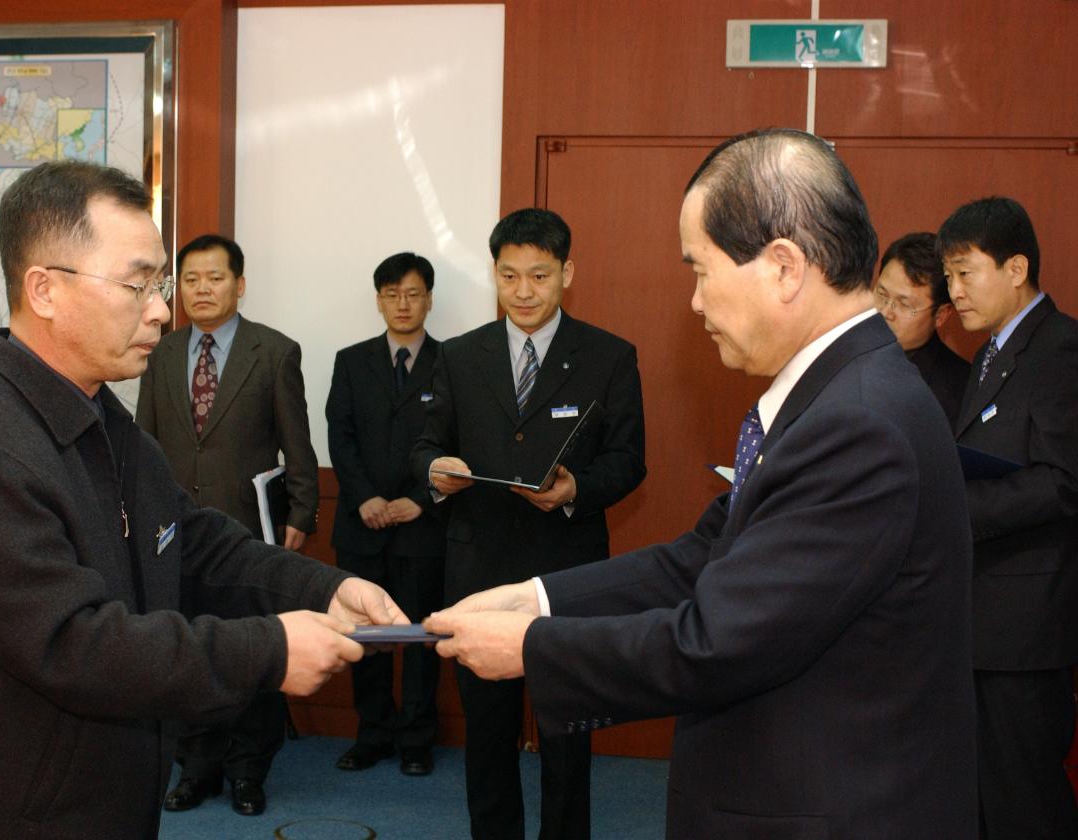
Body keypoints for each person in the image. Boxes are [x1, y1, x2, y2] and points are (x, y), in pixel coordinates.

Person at [426, 129, 977, 839]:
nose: (693, 302)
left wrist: (529, 645)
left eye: (701, 270)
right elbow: (701, 556)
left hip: (828, 806)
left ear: (783, 267)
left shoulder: (859, 422)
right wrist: (534, 596)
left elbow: (715, 642)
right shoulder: (841, 393)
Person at [0, 160, 404, 840]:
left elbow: (190, 542)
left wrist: (321, 589)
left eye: (160, 283)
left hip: (101, 803)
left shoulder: (99, 416)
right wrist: (267, 651)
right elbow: (76, 646)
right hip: (7, 816)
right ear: (44, 289)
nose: (162, 309)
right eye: (137, 285)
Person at [412, 208, 647, 840]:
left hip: (567, 574)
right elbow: (425, 445)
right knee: (487, 736)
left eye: (539, 277)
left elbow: (629, 461)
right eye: (509, 276)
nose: (522, 292)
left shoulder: (608, 356)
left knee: (567, 733)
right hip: (478, 569)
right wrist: (437, 468)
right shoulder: (460, 356)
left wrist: (577, 490)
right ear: (493, 273)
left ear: (567, 272)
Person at [135, 233, 320, 816]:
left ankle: (248, 770)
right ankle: (197, 768)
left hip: (248, 531)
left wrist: (302, 513)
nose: (201, 290)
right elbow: (143, 439)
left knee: (251, 650)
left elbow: (298, 443)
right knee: (187, 650)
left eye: (214, 278)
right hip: (174, 532)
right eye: (189, 280)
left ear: (239, 284)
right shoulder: (160, 353)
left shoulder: (275, 351)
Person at [938, 196, 1078, 839]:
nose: (954, 291)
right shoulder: (992, 354)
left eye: (966, 272)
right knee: (984, 798)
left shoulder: (1059, 350)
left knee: (1025, 803)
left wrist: (951, 511)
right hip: (982, 619)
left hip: (1025, 628)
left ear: (1016, 267)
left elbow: (1062, 482)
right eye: (948, 276)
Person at [326, 251, 447, 776]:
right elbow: (340, 435)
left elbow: (457, 441)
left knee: (420, 636)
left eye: (413, 293)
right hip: (362, 525)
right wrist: (363, 498)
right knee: (367, 640)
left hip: (423, 528)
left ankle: (417, 740)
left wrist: (420, 500)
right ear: (378, 300)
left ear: (429, 299)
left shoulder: (454, 361)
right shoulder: (351, 361)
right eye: (392, 294)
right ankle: (372, 733)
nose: (403, 304)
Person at [873, 231, 969, 423]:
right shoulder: (846, 353)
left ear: (941, 315)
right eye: (882, 295)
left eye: (904, 304)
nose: (885, 312)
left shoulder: (960, 390)